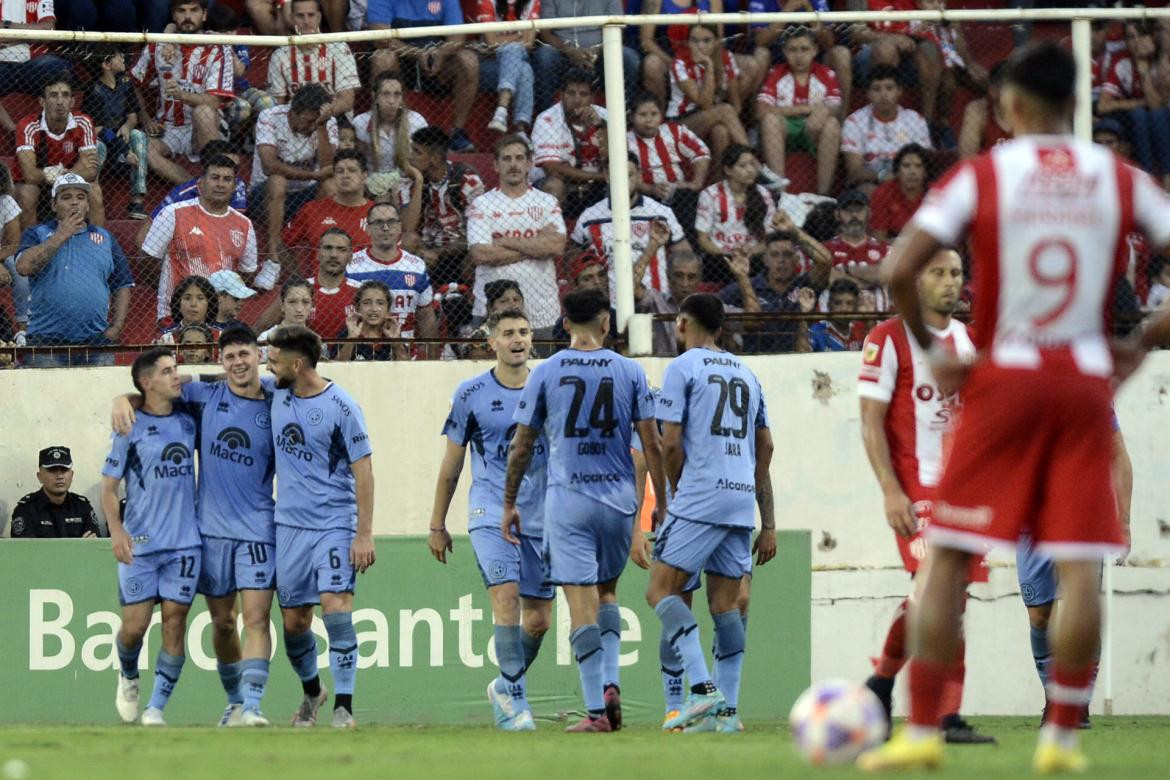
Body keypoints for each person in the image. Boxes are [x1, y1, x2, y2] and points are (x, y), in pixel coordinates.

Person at [856, 42, 1170, 773]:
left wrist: (934, 352)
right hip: (1085, 380)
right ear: (1075, 104)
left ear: (1012, 106)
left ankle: (924, 731)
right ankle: (1061, 739)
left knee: (948, 561)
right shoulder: (1117, 175)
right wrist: (1144, 341)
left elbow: (898, 266)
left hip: (1005, 375)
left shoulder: (986, 173)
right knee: (1079, 569)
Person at [505, 288, 667, 732]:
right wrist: (663, 505)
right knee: (608, 593)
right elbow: (652, 444)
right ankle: (611, 682)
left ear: (564, 321)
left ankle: (597, 709)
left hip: (568, 501)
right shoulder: (630, 371)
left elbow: (522, 446)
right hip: (618, 503)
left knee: (580, 608)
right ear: (606, 322)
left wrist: (508, 503)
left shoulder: (547, 371)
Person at [856, 248, 995, 745]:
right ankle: (941, 714)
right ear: (916, 282)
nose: (950, 282)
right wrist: (891, 489)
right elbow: (871, 421)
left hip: (965, 490)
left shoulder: (970, 342)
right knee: (938, 590)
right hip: (916, 485)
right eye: (938, 273)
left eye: (957, 273)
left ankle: (883, 681)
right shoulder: (888, 338)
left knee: (950, 600)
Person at [112, 327, 279, 727]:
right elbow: (154, 393)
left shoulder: (279, 397)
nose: (238, 362)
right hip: (209, 532)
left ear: (259, 355)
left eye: (245, 354)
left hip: (258, 527)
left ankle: (253, 706)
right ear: (221, 361)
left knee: (255, 619)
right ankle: (235, 701)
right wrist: (122, 398)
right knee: (223, 622)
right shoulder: (204, 396)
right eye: (230, 356)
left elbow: (311, 385)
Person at [644, 291, 775, 733]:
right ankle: (728, 714)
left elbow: (671, 442)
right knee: (726, 606)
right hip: (740, 499)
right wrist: (750, 493)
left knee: (660, 591)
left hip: (700, 495)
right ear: (721, 327)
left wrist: (677, 492)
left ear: (682, 323)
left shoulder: (682, 367)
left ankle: (701, 691)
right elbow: (766, 445)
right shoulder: (747, 372)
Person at [429, 307, 552, 730]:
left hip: (542, 515)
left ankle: (504, 683)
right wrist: (436, 524)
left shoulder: (550, 386)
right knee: (506, 598)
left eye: (523, 331)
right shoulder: (471, 393)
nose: (517, 339)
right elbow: (451, 465)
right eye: (508, 333)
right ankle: (517, 705)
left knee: (539, 620)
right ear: (492, 342)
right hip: (490, 509)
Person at [265, 324, 376, 729]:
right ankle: (313, 691)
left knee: (336, 609)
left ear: (297, 363)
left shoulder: (342, 406)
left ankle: (344, 706)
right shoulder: (275, 391)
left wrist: (363, 533)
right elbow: (225, 384)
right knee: (294, 624)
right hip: (289, 526)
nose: (267, 364)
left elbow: (363, 470)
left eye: (273, 359)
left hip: (334, 522)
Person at [102, 348, 201, 727]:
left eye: (175, 368)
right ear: (147, 383)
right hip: (141, 544)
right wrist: (117, 531)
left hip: (185, 543)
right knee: (134, 628)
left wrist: (126, 394)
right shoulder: (128, 427)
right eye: (167, 371)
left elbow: (201, 382)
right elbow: (109, 488)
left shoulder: (189, 419)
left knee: (175, 622)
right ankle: (128, 675)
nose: (176, 375)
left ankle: (156, 707)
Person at [1017, 418, 1132, 730]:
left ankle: (1078, 703)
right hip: (1031, 515)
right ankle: (1053, 696)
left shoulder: (1088, 382)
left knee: (1082, 604)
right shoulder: (1015, 380)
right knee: (1039, 615)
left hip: (1083, 507)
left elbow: (1118, 453)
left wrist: (1123, 522)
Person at [13, 174, 132, 365]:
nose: (74, 203)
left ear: (87, 205)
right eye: (66, 197)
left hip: (95, 340)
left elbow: (123, 284)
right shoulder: (37, 233)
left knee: (98, 395)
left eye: (80, 197)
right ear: (54, 205)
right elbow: (24, 267)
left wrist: (117, 327)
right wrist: (61, 235)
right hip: (45, 341)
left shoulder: (105, 238)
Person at [467, 135, 567, 338]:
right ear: (496, 165)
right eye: (506, 159)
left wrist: (504, 242)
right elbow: (480, 254)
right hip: (491, 310)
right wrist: (536, 247)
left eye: (519, 158)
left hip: (542, 311)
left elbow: (556, 246)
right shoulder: (481, 204)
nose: (513, 164)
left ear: (529, 163)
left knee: (541, 369)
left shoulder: (547, 202)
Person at [142, 155, 260, 321]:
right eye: (214, 178)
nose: (220, 184)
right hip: (176, 315)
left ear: (234, 186)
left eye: (227, 179)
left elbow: (247, 273)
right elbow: (148, 260)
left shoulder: (244, 224)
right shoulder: (173, 213)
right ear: (201, 183)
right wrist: (177, 294)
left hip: (219, 317)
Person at [131, 0, 235, 185]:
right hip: (167, 127)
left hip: (203, 126)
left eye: (194, 10)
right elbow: (134, 83)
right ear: (173, 15)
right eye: (181, 11)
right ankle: (196, 187)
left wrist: (182, 95)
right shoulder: (159, 45)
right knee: (142, 149)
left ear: (204, 15)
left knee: (203, 112)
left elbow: (213, 101)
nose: (187, 16)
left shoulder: (218, 48)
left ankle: (212, 178)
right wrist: (145, 118)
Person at [572, 154, 690, 301]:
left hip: (653, 299)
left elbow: (684, 255)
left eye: (629, 175)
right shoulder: (590, 216)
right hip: (609, 302)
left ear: (639, 176)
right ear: (607, 177)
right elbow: (574, 258)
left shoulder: (661, 213)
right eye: (617, 175)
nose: (623, 181)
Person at [366, 0, 479, 152]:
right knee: (383, 58)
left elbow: (457, 38)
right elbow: (380, 36)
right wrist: (417, 53)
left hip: (436, 61)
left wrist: (441, 53)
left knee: (468, 60)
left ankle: (457, 133)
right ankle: (387, 130)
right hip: (401, 61)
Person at [251, 84, 339, 271]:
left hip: (305, 195)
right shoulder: (270, 117)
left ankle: (318, 246)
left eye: (315, 122)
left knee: (331, 185)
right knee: (278, 181)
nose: (311, 127)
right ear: (293, 112)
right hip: (263, 195)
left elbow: (328, 166)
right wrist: (314, 175)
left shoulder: (325, 122)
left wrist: (322, 126)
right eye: (308, 122)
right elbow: (269, 166)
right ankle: (273, 258)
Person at [756, 26, 843, 197]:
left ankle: (823, 194)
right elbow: (761, 111)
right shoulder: (776, 73)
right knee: (769, 121)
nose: (799, 56)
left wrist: (821, 113)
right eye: (793, 50)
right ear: (784, 51)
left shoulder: (826, 74)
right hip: (786, 131)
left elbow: (835, 107)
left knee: (831, 123)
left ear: (815, 50)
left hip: (814, 133)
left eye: (804, 49)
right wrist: (805, 109)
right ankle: (779, 193)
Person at [718, 229, 830, 354]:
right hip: (756, 358)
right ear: (765, 260)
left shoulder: (804, 285)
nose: (781, 260)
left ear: (797, 260)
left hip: (796, 357)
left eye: (787, 254)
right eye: (774, 255)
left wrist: (793, 230)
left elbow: (825, 261)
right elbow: (712, 305)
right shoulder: (749, 285)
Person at [14, 73, 103, 230]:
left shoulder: (84, 122)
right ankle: (29, 246)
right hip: (37, 186)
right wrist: (73, 171)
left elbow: (91, 171)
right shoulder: (27, 125)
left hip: (69, 186)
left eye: (65, 95)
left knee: (94, 190)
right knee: (28, 193)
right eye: (54, 95)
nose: (60, 102)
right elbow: (30, 175)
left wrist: (58, 175)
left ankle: (98, 245)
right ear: (43, 101)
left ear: (72, 101)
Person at [401, 126, 486, 287]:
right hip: (425, 250)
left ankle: (469, 303)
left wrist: (438, 253)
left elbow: (477, 232)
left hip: (460, 250)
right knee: (408, 240)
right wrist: (419, 181)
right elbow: (408, 228)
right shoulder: (411, 180)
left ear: (434, 158)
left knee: (476, 254)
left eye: (417, 152)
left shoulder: (465, 179)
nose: (410, 157)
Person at [345, 202, 438, 345]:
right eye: (378, 222)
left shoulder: (417, 265)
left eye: (391, 222)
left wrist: (432, 359)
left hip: (406, 354)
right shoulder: (351, 265)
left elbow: (425, 316)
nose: (385, 228)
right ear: (368, 229)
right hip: (364, 352)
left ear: (400, 227)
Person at [666, 24, 750, 171]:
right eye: (694, 41)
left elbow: (736, 105)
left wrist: (724, 117)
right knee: (724, 110)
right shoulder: (679, 63)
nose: (700, 46)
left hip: (712, 115)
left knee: (721, 130)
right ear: (687, 42)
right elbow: (704, 104)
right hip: (681, 122)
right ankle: (753, 163)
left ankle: (719, 180)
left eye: (706, 40)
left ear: (716, 42)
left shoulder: (726, 57)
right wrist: (709, 66)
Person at [1098, 20, 1170, 190]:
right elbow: (1102, 106)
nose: (1136, 41)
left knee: (1155, 115)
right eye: (1131, 37)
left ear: (1153, 37)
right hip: (1135, 118)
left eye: (1142, 34)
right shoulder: (1122, 61)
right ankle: (1146, 178)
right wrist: (1140, 102)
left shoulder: (1162, 60)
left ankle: (1166, 177)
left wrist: (1143, 67)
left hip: (1163, 116)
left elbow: (1157, 105)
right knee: (1140, 114)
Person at [627, 93, 710, 239]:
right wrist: (650, 189)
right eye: (643, 114)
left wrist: (696, 182)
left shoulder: (674, 131)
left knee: (687, 199)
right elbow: (623, 176)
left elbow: (701, 152)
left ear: (661, 115)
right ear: (631, 117)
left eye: (654, 114)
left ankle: (692, 248)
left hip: (678, 193)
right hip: (644, 196)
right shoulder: (625, 140)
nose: (649, 120)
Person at [535, 0, 640, 115]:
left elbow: (618, 30)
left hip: (601, 53)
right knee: (545, 55)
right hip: (563, 53)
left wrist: (596, 50)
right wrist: (569, 50)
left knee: (629, 57)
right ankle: (546, 117)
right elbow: (545, 33)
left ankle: (627, 115)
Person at [281, 149, 372, 276]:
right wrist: (299, 278)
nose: (345, 175)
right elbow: (282, 245)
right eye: (340, 171)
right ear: (334, 176)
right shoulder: (312, 210)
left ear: (364, 175)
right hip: (321, 289)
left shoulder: (376, 214)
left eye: (352, 170)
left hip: (364, 289)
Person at [531, 68, 608, 219]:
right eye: (571, 93)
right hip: (563, 186)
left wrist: (600, 126)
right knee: (554, 186)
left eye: (583, 94)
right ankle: (552, 238)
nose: (577, 99)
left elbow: (615, 158)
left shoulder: (605, 116)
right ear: (561, 95)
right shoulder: (546, 119)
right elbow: (554, 170)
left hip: (596, 188)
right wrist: (603, 177)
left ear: (592, 98)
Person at [83, 44, 149, 220]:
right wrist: (124, 149)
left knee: (139, 135)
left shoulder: (125, 83)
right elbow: (95, 128)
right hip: (105, 141)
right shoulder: (94, 90)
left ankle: (137, 201)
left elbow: (133, 115)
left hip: (122, 136)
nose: (123, 59)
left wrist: (127, 126)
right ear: (106, 64)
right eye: (118, 56)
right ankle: (90, 200)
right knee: (98, 147)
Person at [841, 65, 932, 193]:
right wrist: (882, 176)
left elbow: (924, 164)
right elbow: (855, 171)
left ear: (899, 91)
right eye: (876, 89)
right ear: (868, 94)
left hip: (909, 183)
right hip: (872, 183)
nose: (883, 94)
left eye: (889, 88)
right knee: (868, 190)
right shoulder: (854, 121)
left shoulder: (915, 120)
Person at [266, 0, 359, 119]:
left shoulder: (339, 49)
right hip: (296, 120)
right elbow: (277, 103)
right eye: (300, 16)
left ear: (319, 17)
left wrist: (321, 115)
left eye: (311, 15)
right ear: (292, 18)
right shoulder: (280, 55)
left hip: (333, 117)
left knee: (346, 133)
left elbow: (347, 100)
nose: (306, 21)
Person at [695, 145, 781, 265]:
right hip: (720, 258)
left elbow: (768, 238)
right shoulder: (710, 194)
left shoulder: (764, 194)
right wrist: (727, 253)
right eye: (743, 166)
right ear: (728, 170)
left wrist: (752, 251)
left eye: (752, 164)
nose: (750, 170)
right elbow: (703, 240)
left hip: (753, 258)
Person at [0, 0, 70, 135]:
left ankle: (53, 130)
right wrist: (31, 33)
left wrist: (7, 27)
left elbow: (48, 30)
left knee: (61, 67)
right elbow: (41, 31)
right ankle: (13, 130)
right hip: (2, 65)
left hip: (34, 65)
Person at [352, 72, 427, 197]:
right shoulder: (359, 123)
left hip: (407, 184)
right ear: (374, 96)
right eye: (385, 94)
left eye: (397, 94)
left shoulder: (417, 121)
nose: (391, 101)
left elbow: (425, 159)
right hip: (370, 186)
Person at [475, 0, 538, 138]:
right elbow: (491, 43)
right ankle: (520, 131)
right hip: (490, 64)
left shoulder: (532, 2)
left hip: (516, 63)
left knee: (523, 68)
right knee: (520, 61)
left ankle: (501, 112)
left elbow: (529, 43)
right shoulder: (487, 1)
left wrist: (503, 39)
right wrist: (520, 35)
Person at [9, 446, 100, 539]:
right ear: (39, 476)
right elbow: (25, 550)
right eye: (52, 470)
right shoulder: (26, 510)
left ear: (72, 475)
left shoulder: (83, 508)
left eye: (64, 470)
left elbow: (93, 548)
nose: (60, 476)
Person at [824, 188, 890, 313]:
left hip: (878, 320)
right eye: (848, 211)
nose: (854, 215)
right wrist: (870, 277)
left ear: (869, 213)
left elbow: (885, 274)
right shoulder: (826, 248)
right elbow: (826, 276)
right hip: (836, 322)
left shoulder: (884, 249)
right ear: (837, 214)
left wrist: (847, 270)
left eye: (859, 210)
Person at [870, 143, 930, 242]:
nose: (912, 171)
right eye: (906, 166)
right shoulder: (882, 193)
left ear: (925, 172)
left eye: (918, 166)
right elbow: (879, 239)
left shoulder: (935, 194)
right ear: (897, 171)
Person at [335, 280, 407, 362]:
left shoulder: (392, 333)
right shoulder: (347, 333)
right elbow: (335, 368)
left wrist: (396, 342)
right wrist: (351, 339)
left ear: (388, 309)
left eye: (380, 303)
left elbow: (408, 368)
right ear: (357, 308)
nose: (373, 309)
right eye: (367, 303)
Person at [796, 277, 867, 353]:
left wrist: (870, 320)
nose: (844, 309)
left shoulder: (860, 328)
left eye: (849, 303)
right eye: (837, 303)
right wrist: (803, 314)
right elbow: (802, 353)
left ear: (856, 307)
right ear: (829, 305)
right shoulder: (817, 330)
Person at [157, 274, 221, 345]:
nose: (193, 304)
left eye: (200, 298)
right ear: (178, 303)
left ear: (209, 303)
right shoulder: (167, 337)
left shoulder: (220, 335)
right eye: (187, 298)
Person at [258, 277, 315, 347]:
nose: (299, 309)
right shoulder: (266, 338)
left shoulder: (317, 342)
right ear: (282, 305)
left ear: (312, 305)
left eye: (305, 302)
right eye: (292, 302)